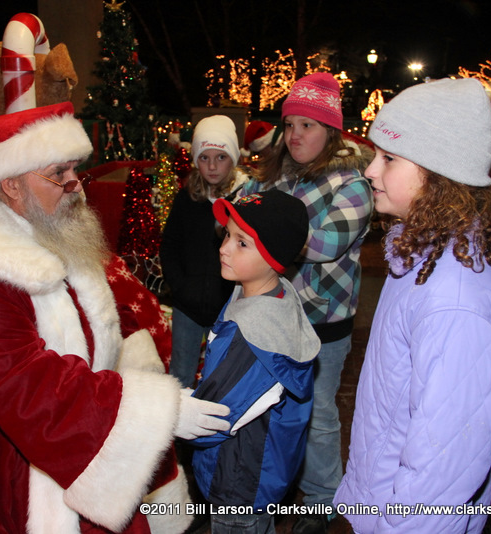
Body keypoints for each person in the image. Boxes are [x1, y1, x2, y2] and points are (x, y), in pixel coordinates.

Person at [0, 102, 232, 534]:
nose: (75, 185)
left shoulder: (51, 227)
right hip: (16, 456)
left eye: (75, 170)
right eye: (59, 173)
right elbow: (21, 382)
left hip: (83, 423)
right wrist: (148, 410)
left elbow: (104, 319)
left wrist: (142, 379)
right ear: (12, 185)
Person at [335, 78, 491, 533]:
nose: (370, 170)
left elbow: (443, 467)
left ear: (438, 175)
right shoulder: (420, 258)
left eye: (389, 158)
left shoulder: (453, 302)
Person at [238, 72, 375, 534]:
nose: (295, 135)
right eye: (290, 125)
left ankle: (321, 498)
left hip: (323, 322)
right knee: (265, 410)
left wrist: (260, 233)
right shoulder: (273, 176)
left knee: (316, 415)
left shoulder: (352, 184)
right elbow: (235, 220)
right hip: (268, 313)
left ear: (330, 130)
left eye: (307, 125)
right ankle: (268, 491)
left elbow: (325, 244)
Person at [188, 190, 321, 533]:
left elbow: (211, 418)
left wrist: (171, 416)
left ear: (272, 257)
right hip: (259, 469)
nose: (224, 248)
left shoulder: (253, 336)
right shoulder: (272, 291)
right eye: (227, 235)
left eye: (242, 243)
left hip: (237, 480)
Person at [161, 115, 250, 388]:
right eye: (204, 158)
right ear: (195, 160)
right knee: (180, 374)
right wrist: (179, 286)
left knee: (222, 377)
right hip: (187, 306)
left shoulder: (244, 199)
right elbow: (170, 245)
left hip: (228, 308)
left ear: (233, 158)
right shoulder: (187, 198)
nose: (212, 166)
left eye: (221, 157)